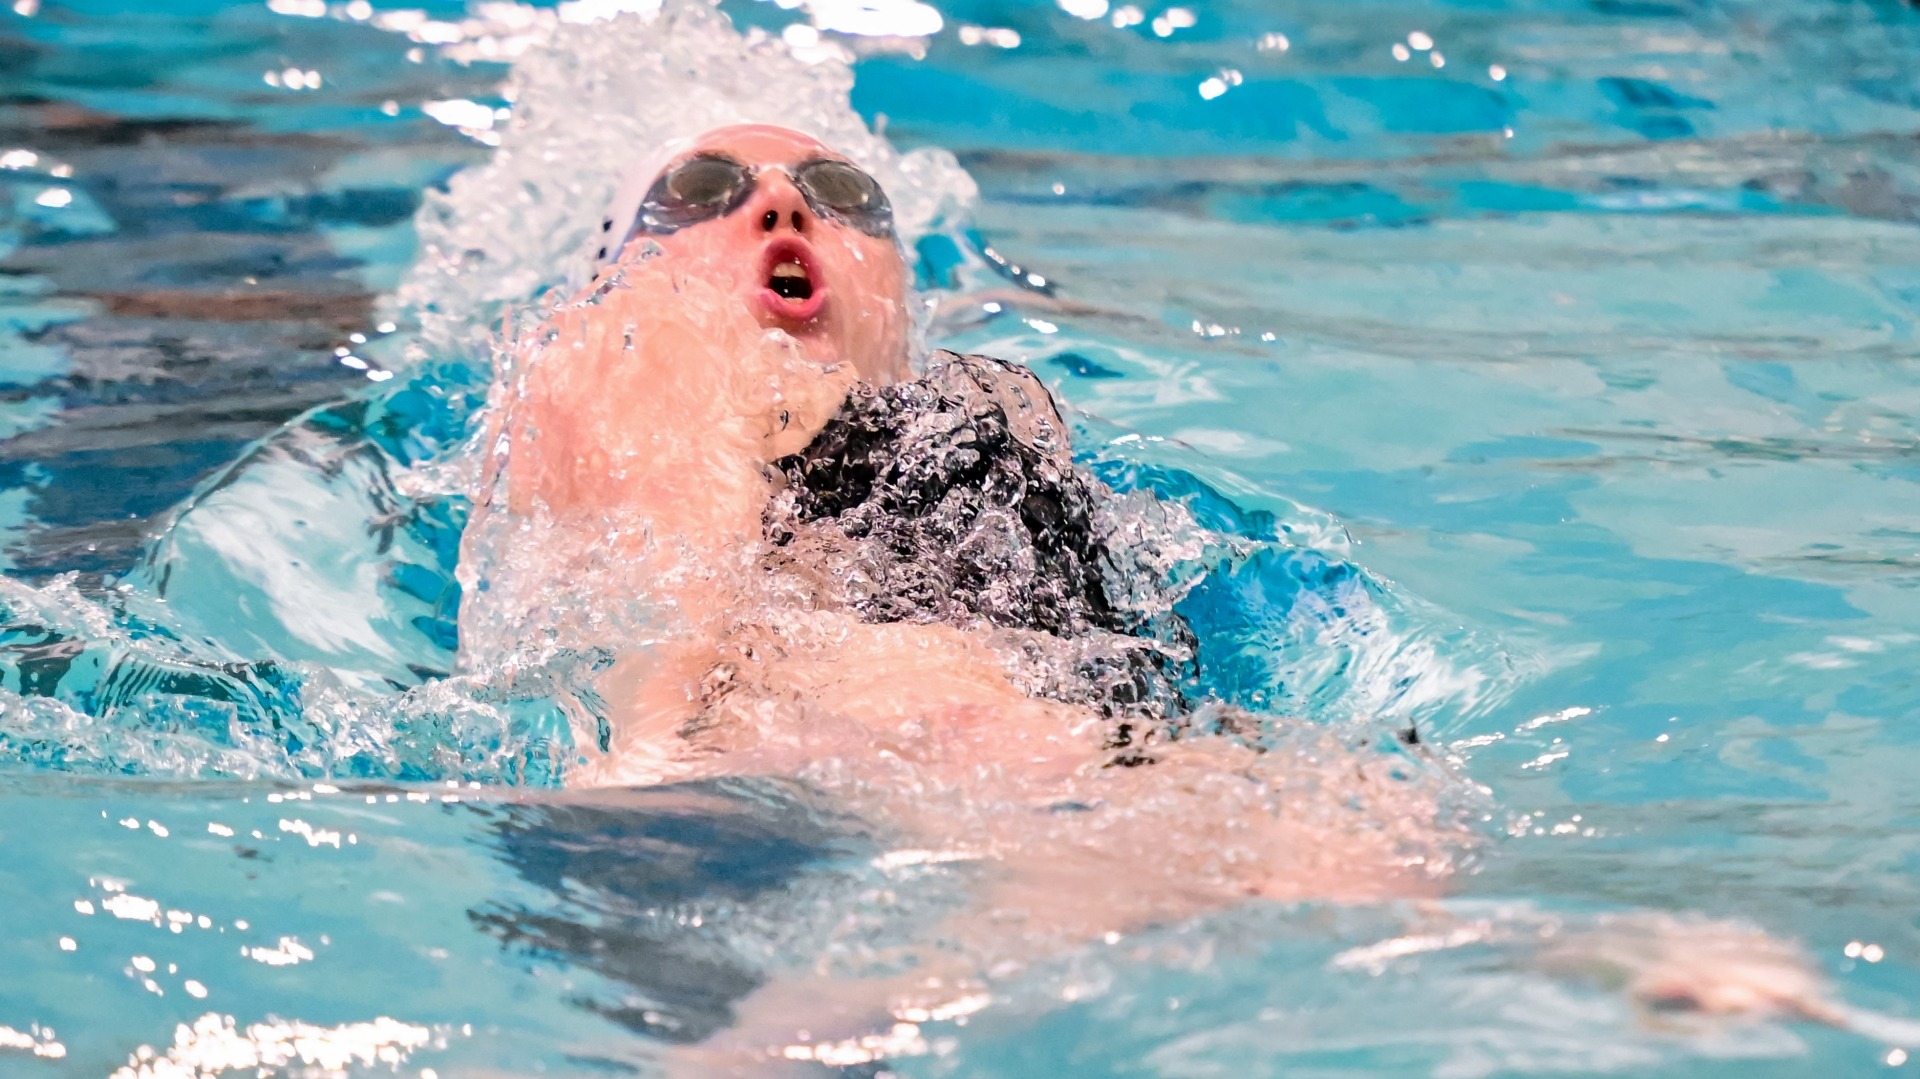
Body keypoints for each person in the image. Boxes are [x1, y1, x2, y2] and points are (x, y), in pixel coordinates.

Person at [459, 124, 1848, 1075]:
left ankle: (1470, 944)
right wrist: (649, 755)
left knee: (1357, 812)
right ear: (618, 264)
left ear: (904, 292)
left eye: (844, 194)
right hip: (814, 718)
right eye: (701, 190)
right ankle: (804, 1028)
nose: (782, 207)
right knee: (1018, 785)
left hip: (1069, 736)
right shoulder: (629, 353)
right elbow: (670, 561)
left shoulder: (975, 406)